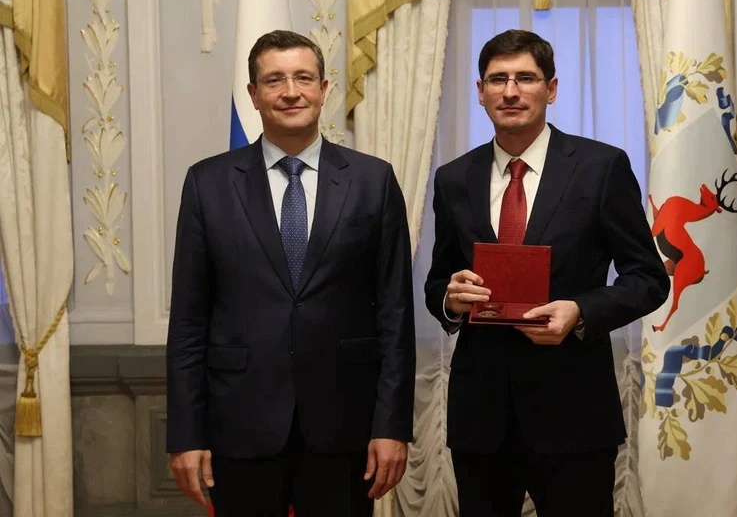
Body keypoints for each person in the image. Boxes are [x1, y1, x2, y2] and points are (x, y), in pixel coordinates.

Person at [166, 29, 415, 516]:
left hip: (345, 425)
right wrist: (185, 434)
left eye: (303, 78)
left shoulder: (373, 180)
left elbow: (395, 313)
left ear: (324, 89)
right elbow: (189, 321)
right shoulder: (208, 182)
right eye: (274, 80)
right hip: (240, 424)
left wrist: (392, 426)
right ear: (253, 94)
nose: (290, 91)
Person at [424, 29, 669, 517]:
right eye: (498, 79)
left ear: (551, 89)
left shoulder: (601, 167)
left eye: (526, 78)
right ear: (481, 92)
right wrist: (449, 299)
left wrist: (580, 311)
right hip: (481, 414)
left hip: (573, 408)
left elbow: (648, 278)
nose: (511, 91)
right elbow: (439, 280)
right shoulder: (454, 178)